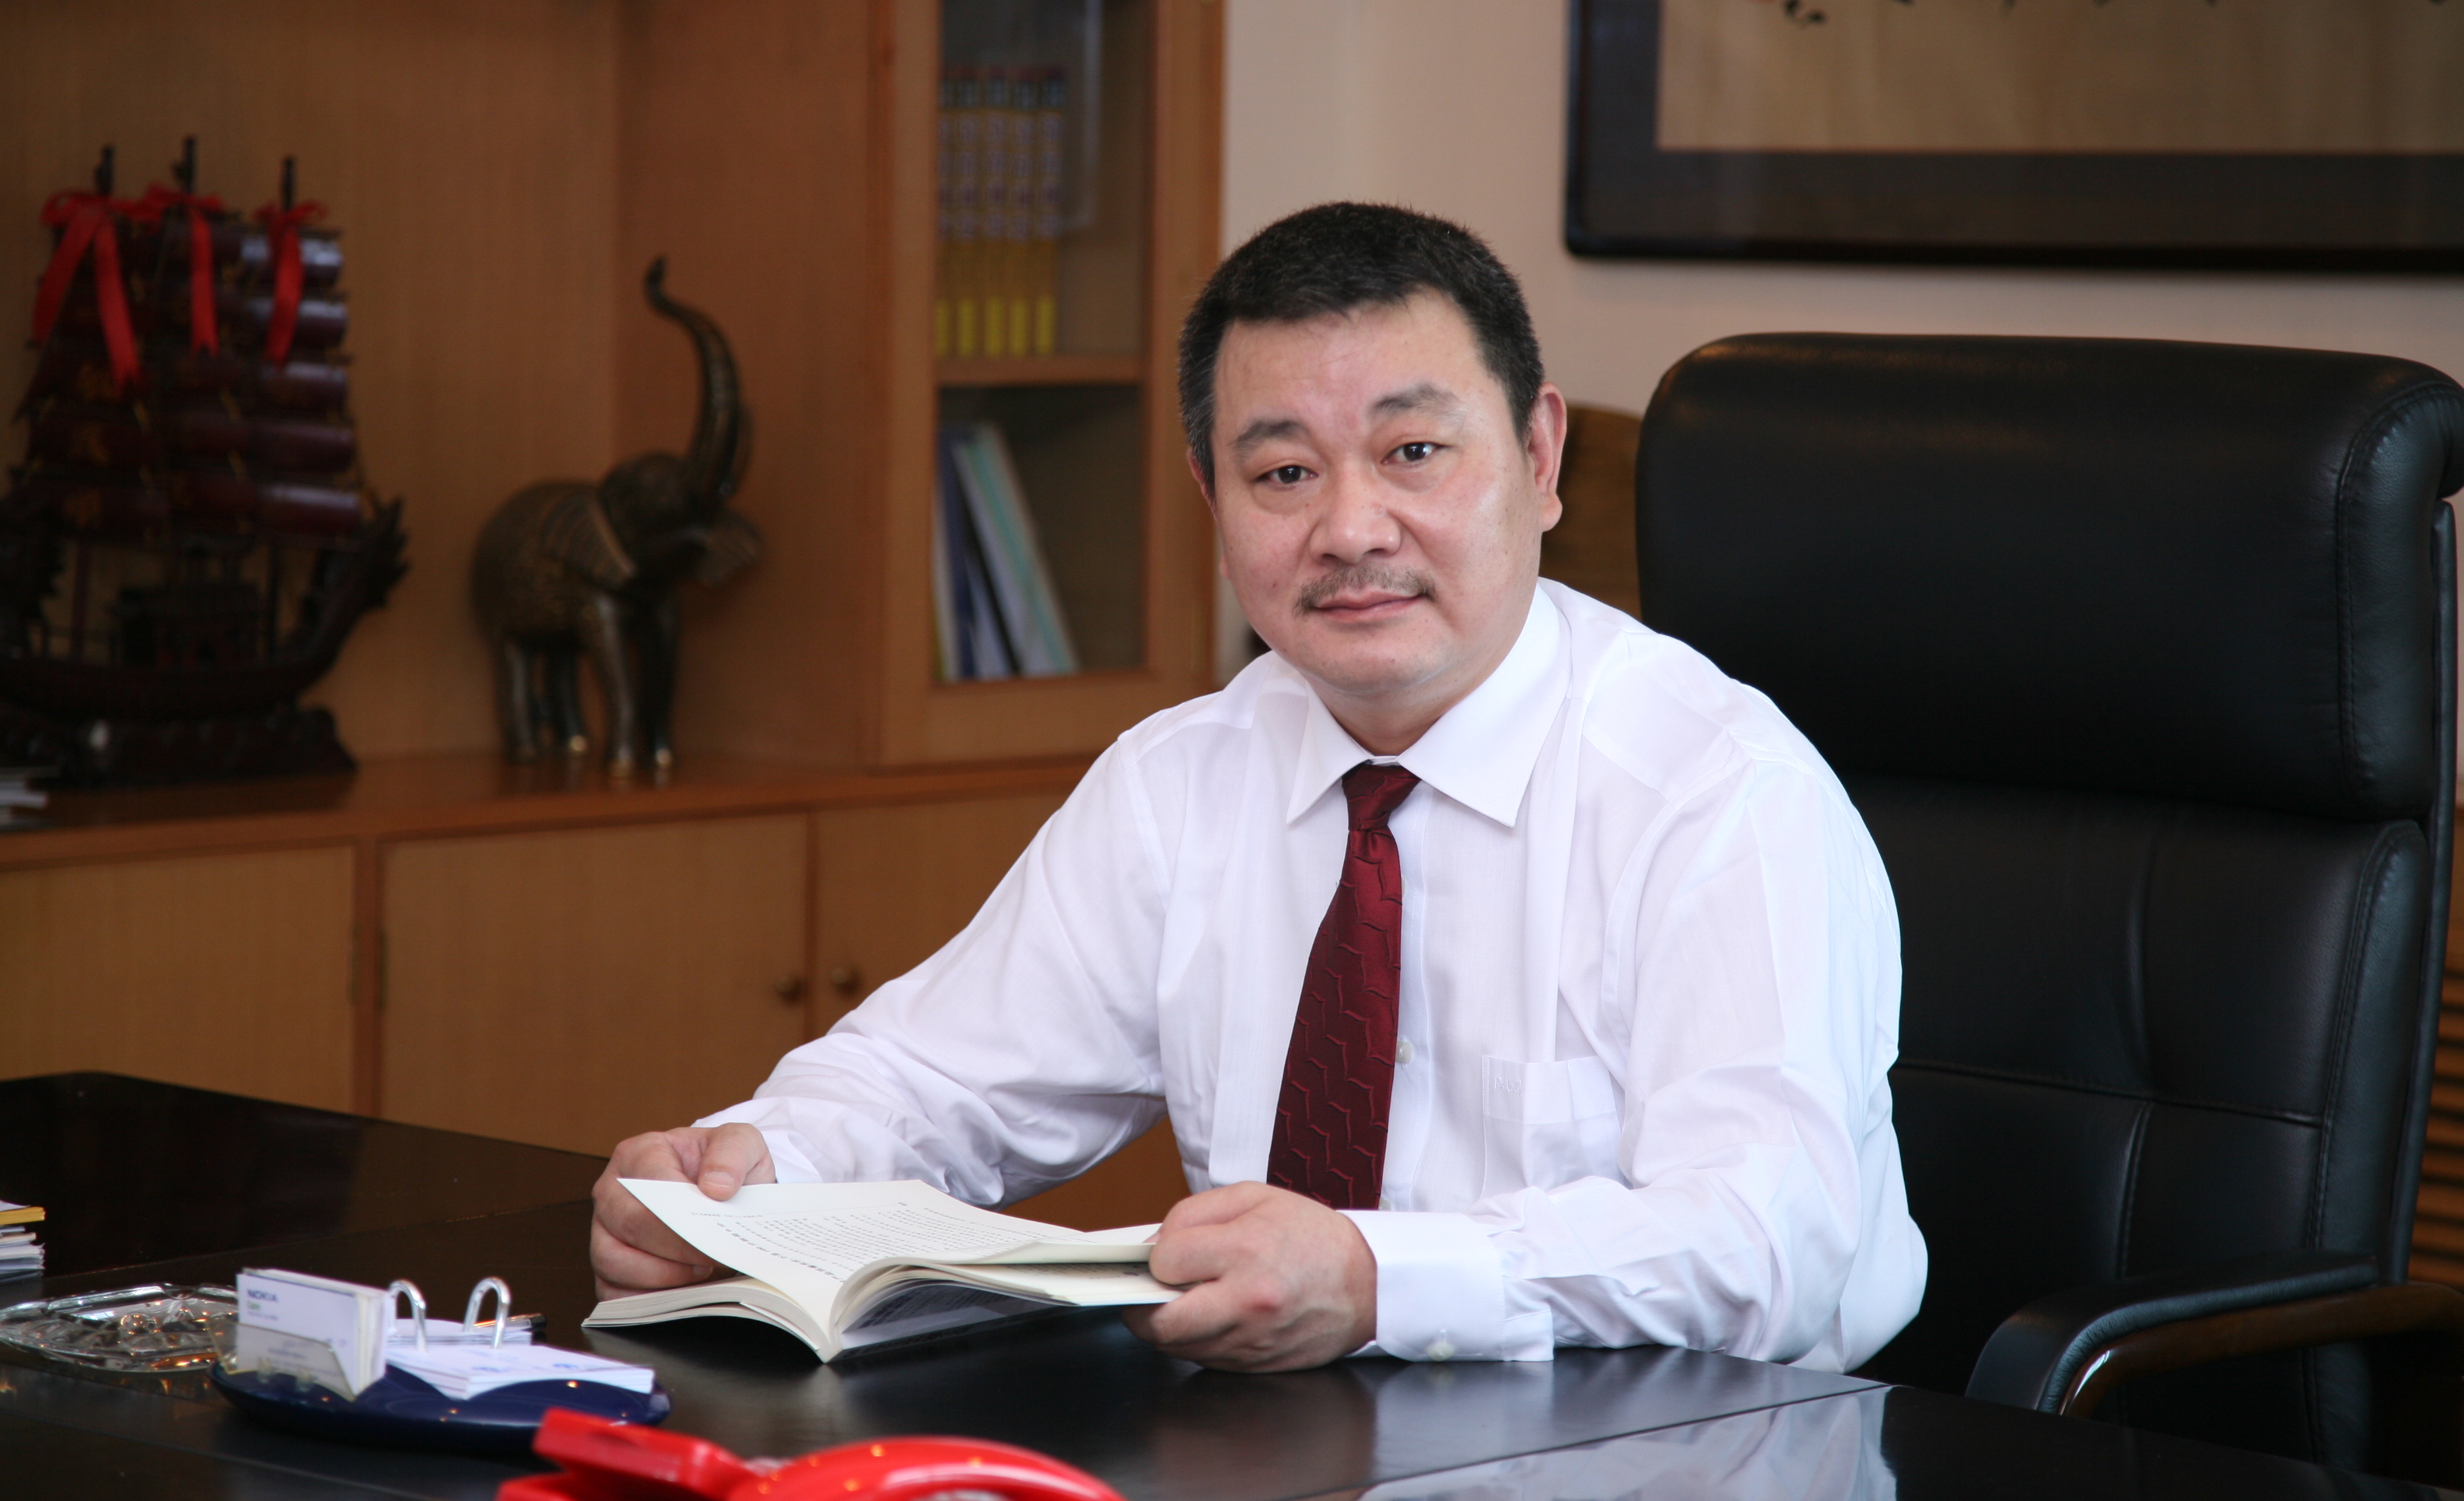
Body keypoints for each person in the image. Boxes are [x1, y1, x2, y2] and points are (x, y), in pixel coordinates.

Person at [590, 202, 1927, 1374]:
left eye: (1413, 454)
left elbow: (1765, 1240)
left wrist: (1381, 1279)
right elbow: (937, 1076)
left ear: (1540, 456)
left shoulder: (1715, 792)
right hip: (1284, 1443)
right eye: (1283, 474)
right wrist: (749, 1168)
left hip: (1696, 1452)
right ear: (1213, 504)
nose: (1349, 530)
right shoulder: (1185, 779)